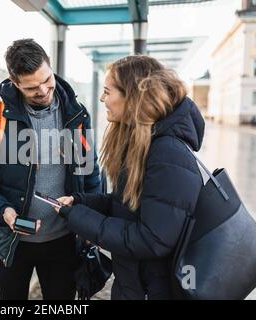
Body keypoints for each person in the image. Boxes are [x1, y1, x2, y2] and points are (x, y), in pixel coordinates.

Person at [55, 55, 205, 300]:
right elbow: (128, 207)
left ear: (133, 96)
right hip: (135, 285)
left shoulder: (167, 153)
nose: (102, 98)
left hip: (153, 290)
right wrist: (80, 202)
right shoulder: (142, 143)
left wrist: (79, 218)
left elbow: (152, 239)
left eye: (107, 91)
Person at [0, 39, 101, 300]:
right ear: (15, 83)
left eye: (47, 80)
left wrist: (92, 224)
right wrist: (3, 211)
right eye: (32, 87)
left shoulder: (77, 115)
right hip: (11, 243)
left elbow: (91, 174)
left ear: (50, 66)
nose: (44, 91)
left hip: (64, 241)